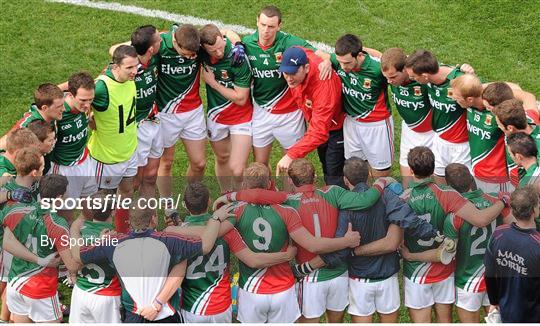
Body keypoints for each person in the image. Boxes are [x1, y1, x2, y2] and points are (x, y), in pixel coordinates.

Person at [302, 158, 441, 323]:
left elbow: (340, 248)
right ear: (369, 174)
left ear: (346, 180)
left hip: (359, 280)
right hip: (387, 277)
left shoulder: (345, 206)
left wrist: (309, 266)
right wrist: (433, 233)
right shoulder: (388, 196)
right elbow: (407, 220)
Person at [230, 163, 361, 323]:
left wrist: (229, 197)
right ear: (314, 177)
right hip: (337, 274)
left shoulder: (284, 204)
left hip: (307, 279)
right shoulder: (332, 192)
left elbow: (261, 198)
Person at [401, 146, 507, 323]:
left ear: (410, 170)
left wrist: (410, 255)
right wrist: (503, 201)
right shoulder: (448, 195)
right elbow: (480, 219)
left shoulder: (403, 199)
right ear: (434, 169)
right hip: (444, 271)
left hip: (416, 272)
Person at [74, 205, 228, 323]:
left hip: (134, 315)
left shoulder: (111, 244)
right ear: (154, 218)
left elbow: (77, 255)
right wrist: (215, 219)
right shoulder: (170, 241)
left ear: (129, 221)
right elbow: (206, 245)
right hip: (166, 316)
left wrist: (75, 228)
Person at [179, 181, 296, 323]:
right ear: (209, 201)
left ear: (184, 204)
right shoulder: (227, 230)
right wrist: (286, 255)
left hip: (192, 307)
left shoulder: (177, 235)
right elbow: (252, 260)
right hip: (221, 306)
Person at [4, 174, 80, 323]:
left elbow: (6, 242)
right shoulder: (58, 224)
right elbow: (71, 265)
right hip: (40, 288)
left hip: (15, 283)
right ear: (59, 197)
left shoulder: (18, 210)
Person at [440, 164, 510, 322]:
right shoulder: (496, 200)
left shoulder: (454, 216)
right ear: (472, 179)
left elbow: (449, 253)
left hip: (467, 281)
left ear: (449, 186)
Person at [321, 34, 393, 178]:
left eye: (347, 63)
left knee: (381, 174)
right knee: (355, 172)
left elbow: (396, 70)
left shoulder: (376, 69)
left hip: (376, 126)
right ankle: (361, 199)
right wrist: (328, 61)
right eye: (340, 62)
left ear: (359, 55)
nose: (343, 67)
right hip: (351, 124)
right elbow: (320, 54)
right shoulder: (339, 61)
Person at [277, 46, 346, 187]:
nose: (289, 79)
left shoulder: (323, 85)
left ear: (306, 68)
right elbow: (305, 48)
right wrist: (327, 58)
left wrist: (291, 155)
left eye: (293, 73)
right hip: (321, 123)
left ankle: (346, 205)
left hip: (337, 129)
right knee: (327, 167)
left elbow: (319, 132)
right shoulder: (298, 58)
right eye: (285, 73)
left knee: (334, 176)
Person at [88, 45, 139, 233]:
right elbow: (80, 99)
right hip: (107, 158)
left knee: (127, 192)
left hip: (129, 151)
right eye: (129, 68)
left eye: (136, 66)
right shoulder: (101, 87)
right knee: (102, 206)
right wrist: (90, 120)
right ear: (115, 67)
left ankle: (122, 233)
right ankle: (95, 240)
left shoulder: (129, 77)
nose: (135, 71)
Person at [199, 24, 253, 192]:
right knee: (222, 158)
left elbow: (241, 98)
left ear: (223, 40)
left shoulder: (237, 57)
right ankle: (225, 195)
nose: (219, 53)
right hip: (217, 117)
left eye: (220, 47)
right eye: (213, 51)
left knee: (237, 170)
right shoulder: (200, 53)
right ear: (203, 48)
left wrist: (213, 84)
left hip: (241, 118)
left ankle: (240, 199)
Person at [405, 50, 470, 183]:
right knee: (440, 183)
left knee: (462, 187)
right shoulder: (429, 74)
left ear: (424, 76)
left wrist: (471, 75)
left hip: (461, 145)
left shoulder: (459, 80)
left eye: (413, 78)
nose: (412, 80)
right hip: (439, 140)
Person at [484, 186, 540, 323]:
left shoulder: (498, 234)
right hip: (533, 314)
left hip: (507, 309)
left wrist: (494, 301)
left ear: (513, 210)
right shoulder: (537, 244)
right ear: (534, 210)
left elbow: (489, 273)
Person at [381, 48, 434, 187]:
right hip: (409, 131)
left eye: (393, 77)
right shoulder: (392, 74)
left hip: (432, 134)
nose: (389, 81)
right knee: (407, 182)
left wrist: (464, 69)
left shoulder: (424, 79)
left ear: (405, 69)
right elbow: (372, 55)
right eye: (386, 77)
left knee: (433, 180)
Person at [48, 72, 97, 222]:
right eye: (83, 100)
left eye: (90, 99)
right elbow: (42, 95)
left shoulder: (84, 106)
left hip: (85, 162)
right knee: (65, 217)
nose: (87, 105)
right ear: (70, 94)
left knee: (92, 209)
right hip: (64, 169)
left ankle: (90, 241)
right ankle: (68, 244)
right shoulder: (58, 113)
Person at [68, 191, 121, 323]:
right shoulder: (118, 237)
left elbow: (74, 257)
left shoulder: (78, 230)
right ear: (113, 211)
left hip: (81, 292)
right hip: (106, 295)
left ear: (91, 210)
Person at [0, 83, 64, 150]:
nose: (63, 109)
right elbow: (2, 145)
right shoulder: (28, 125)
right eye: (59, 106)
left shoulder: (52, 114)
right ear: (44, 108)